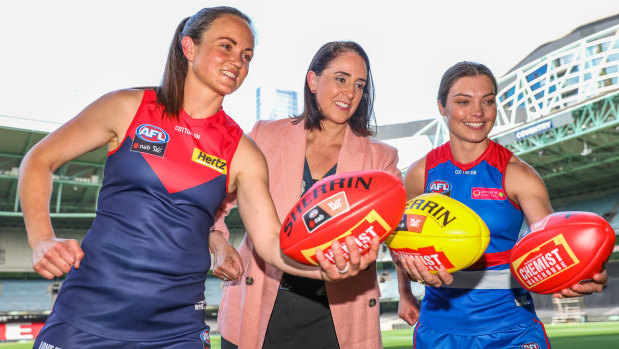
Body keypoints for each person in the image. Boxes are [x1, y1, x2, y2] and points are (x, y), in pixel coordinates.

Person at [18, 8, 375, 348]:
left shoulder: (243, 152)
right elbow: (39, 159)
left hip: (177, 330)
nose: (238, 61)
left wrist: (324, 271)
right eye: (227, 47)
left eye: (247, 55)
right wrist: (41, 239)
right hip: (86, 314)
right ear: (189, 47)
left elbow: (269, 242)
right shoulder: (127, 107)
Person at [394, 61, 610, 348]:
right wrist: (405, 293)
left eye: (488, 101)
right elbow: (403, 239)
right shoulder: (420, 173)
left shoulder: (520, 175)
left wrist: (583, 274)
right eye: (463, 101)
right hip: (438, 328)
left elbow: (553, 245)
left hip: (510, 329)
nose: (477, 112)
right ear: (442, 107)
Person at [211, 41, 401, 349]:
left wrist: (420, 261)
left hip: (338, 317)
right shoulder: (264, 135)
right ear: (313, 81)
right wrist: (218, 242)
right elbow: (214, 199)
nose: (350, 92)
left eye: (359, 85)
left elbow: (394, 225)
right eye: (340, 78)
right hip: (259, 306)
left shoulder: (381, 159)